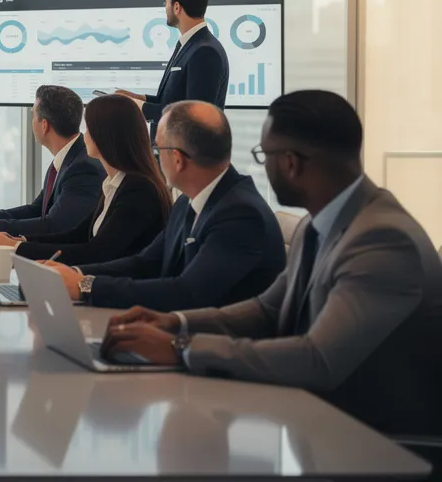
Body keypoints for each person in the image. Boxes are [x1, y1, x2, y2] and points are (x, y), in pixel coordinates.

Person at [101, 90, 442, 436]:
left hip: (382, 447)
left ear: (291, 163)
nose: (261, 166)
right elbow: (267, 310)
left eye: (265, 155)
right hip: (321, 424)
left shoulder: (382, 240)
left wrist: (183, 348)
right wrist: (176, 323)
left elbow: (317, 359)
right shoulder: (318, 223)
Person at [40, 101, 286, 310]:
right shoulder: (189, 202)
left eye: (157, 148)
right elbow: (145, 263)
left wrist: (86, 286)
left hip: (220, 354)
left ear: (177, 159)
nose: (155, 155)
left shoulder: (240, 214)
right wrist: (74, 274)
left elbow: (188, 292)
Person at [0, 94, 170, 266]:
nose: (85, 135)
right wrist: (17, 241)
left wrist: (15, 246)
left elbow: (95, 252)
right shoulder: (115, 184)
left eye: (90, 128)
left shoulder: (138, 190)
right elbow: (77, 235)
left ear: (106, 135)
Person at [0, 85, 104, 238]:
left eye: (33, 115)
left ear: (44, 125)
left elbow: (55, 225)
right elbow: (36, 210)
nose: (31, 122)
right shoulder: (67, 158)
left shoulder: (83, 167)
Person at [116, 0, 229, 126]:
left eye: (166, 2)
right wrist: (139, 98)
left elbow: (193, 117)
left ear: (177, 7)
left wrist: (137, 106)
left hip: (184, 148)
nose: (165, 7)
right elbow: (171, 102)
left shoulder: (205, 52)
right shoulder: (189, 44)